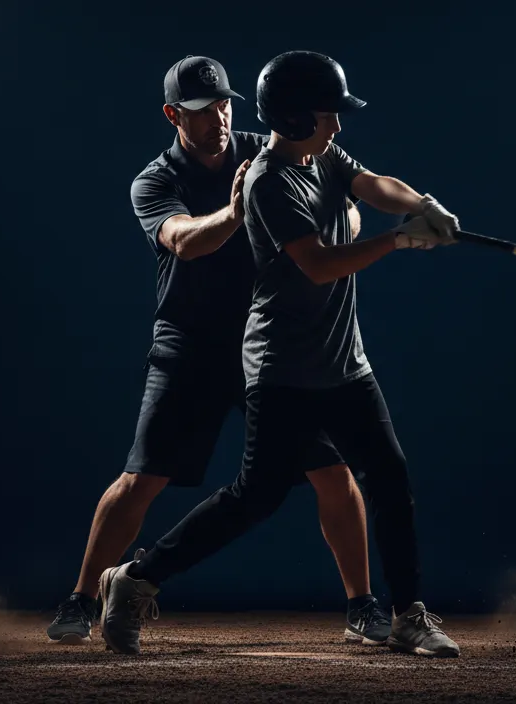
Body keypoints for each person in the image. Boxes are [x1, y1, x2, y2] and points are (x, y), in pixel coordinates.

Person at [99, 50, 462, 658]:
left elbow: (372, 183)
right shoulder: (268, 180)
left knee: (389, 478)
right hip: (283, 372)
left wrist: (420, 204)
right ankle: (136, 579)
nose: (338, 127)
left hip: (345, 364)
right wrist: (398, 241)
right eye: (328, 115)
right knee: (253, 499)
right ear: (294, 120)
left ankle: (406, 614)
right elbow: (319, 265)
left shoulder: (323, 155)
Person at [46, 55, 386, 648]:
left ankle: (364, 607)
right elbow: (183, 242)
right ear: (173, 114)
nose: (219, 119)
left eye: (225, 104)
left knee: (334, 473)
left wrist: (347, 223)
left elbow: (345, 194)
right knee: (143, 478)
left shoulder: (268, 147)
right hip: (191, 342)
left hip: (271, 345)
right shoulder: (154, 181)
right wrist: (237, 210)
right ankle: (81, 598)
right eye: (203, 111)